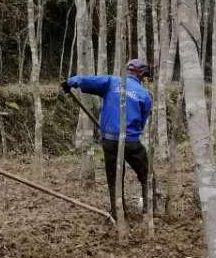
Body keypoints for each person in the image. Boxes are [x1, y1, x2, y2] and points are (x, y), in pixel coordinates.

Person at [62, 59, 156, 219]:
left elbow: (85, 80)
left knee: (113, 178)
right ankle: (149, 210)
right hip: (131, 141)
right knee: (146, 174)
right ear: (141, 74)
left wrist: (69, 82)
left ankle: (118, 212)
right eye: (143, 76)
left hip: (109, 141)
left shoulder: (111, 82)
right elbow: (142, 120)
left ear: (127, 70)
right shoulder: (144, 95)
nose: (143, 79)